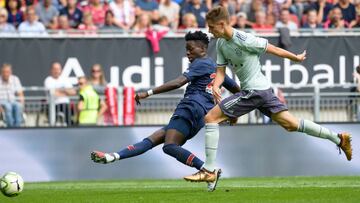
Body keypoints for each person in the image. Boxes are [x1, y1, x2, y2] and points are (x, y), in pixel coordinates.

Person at [183, 6, 353, 191]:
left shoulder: (244, 39)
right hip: (263, 91)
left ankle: (208, 170)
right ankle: (338, 139)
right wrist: (216, 85)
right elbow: (221, 72)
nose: (209, 31)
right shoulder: (222, 44)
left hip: (254, 91)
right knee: (291, 125)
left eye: (212, 27)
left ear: (222, 24)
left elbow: (273, 49)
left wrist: (294, 58)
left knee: (210, 118)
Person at [90, 31, 241, 191]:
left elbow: (178, 82)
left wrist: (148, 93)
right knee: (151, 141)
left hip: (190, 106)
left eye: (190, 48)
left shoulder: (200, 63)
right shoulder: (215, 67)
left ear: (202, 48)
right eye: (186, 49)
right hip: (200, 115)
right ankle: (112, 157)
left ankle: (207, 170)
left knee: (169, 146)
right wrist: (233, 112)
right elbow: (237, 90)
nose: (187, 52)